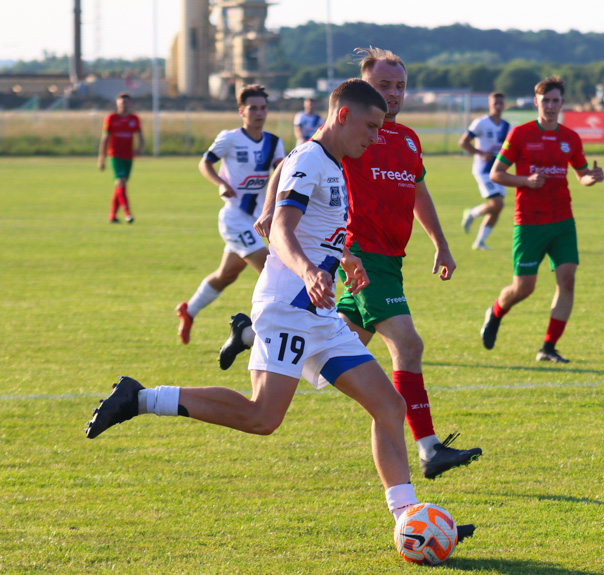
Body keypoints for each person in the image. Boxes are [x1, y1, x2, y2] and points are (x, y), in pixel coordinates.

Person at [85, 79, 475, 543]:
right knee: (262, 417)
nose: (376, 136)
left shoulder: (334, 163)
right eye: (370, 126)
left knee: (388, 405)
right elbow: (283, 232)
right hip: (288, 308)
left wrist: (343, 258)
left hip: (320, 315)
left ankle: (409, 519)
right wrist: (311, 272)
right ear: (343, 115)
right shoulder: (309, 160)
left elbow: (318, 229)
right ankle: (141, 397)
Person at [219, 47, 482, 481]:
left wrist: (441, 242)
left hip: (389, 259)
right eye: (384, 86)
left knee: (336, 350)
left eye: (400, 86)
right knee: (408, 345)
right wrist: (271, 208)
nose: (394, 94)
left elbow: (417, 191)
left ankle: (250, 333)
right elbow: (292, 161)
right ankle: (428, 447)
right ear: (363, 90)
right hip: (359, 254)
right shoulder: (354, 132)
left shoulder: (407, 138)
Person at [480, 76, 604, 363]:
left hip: (562, 221)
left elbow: (581, 175)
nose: (550, 105)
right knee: (524, 288)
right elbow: (496, 173)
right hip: (529, 222)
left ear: (562, 103)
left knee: (568, 280)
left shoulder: (570, 138)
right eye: (545, 100)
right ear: (536, 102)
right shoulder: (521, 134)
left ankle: (548, 347)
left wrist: (592, 177)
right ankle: (496, 312)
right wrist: (526, 180)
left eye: (555, 100)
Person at [175, 84, 286, 345]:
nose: (259, 113)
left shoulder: (273, 142)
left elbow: (281, 173)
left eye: (263, 108)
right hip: (235, 218)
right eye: (253, 108)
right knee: (272, 269)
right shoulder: (229, 138)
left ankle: (188, 311)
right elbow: (205, 162)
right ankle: (261, 332)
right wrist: (221, 183)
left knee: (227, 275)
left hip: (259, 220)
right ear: (241, 111)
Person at [459, 92, 510, 250]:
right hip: (484, 170)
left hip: (499, 171)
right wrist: (481, 153)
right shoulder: (480, 123)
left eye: (501, 103)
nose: (498, 106)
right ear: (490, 105)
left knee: (497, 208)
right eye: (495, 103)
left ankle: (479, 242)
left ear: (504, 105)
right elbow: (463, 142)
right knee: (497, 203)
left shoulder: (507, 126)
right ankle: (472, 213)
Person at [97, 92, 145, 223]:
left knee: (119, 186)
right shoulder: (111, 118)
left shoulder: (134, 119)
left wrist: (140, 147)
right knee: (121, 182)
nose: (124, 104)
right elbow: (105, 139)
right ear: (117, 104)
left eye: (126, 102)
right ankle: (128, 214)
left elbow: (140, 136)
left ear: (130, 104)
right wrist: (101, 158)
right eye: (122, 102)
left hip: (128, 156)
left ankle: (112, 216)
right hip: (115, 155)